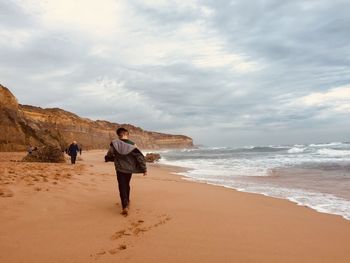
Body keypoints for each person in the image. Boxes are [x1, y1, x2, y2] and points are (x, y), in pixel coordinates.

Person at [105, 127, 147, 216]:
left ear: (119, 135)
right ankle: (127, 200)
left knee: (121, 185)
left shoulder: (114, 143)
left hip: (119, 168)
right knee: (127, 184)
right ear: (126, 134)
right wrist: (144, 169)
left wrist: (110, 159)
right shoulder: (133, 145)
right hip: (129, 169)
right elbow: (140, 157)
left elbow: (109, 154)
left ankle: (125, 206)